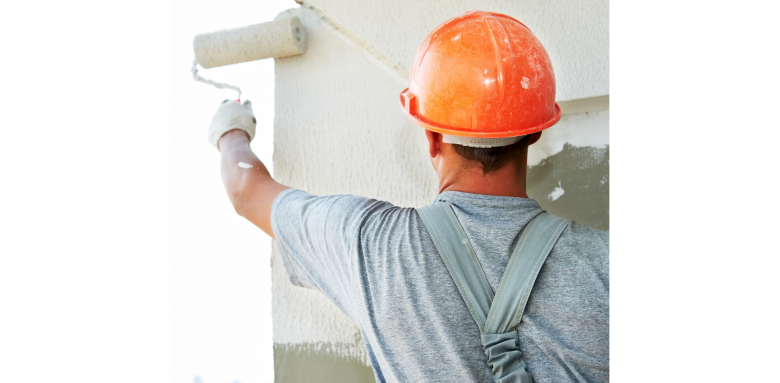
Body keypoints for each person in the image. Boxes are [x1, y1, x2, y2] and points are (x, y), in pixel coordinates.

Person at [208, 11, 608, 383]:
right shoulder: (606, 263)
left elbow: (245, 191)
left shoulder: (370, 244)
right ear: (535, 130)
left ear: (432, 137)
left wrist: (232, 130)